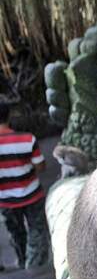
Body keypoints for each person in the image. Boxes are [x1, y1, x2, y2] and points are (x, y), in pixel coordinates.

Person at [0, 102, 48, 270]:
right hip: (31, 194)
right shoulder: (27, 139)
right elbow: (40, 166)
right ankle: (34, 267)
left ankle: (22, 262)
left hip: (5, 200)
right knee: (37, 231)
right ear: (9, 116)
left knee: (16, 233)